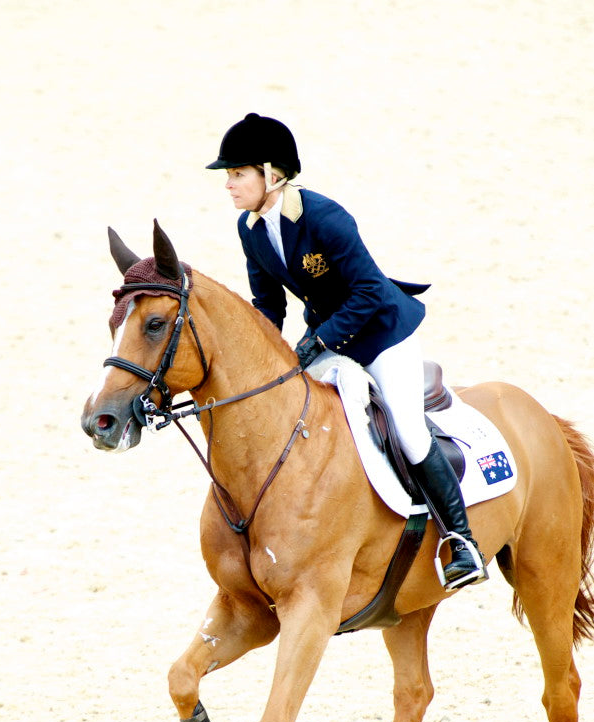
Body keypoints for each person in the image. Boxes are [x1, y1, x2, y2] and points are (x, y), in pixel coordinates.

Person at [206, 112, 487, 590]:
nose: (229, 185)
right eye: (229, 175)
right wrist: (261, 356)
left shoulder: (325, 217)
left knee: (408, 431)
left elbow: (369, 293)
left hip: (381, 333)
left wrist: (317, 340)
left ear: (271, 175)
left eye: (238, 174)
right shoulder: (250, 229)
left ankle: (461, 542)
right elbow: (267, 304)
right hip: (330, 335)